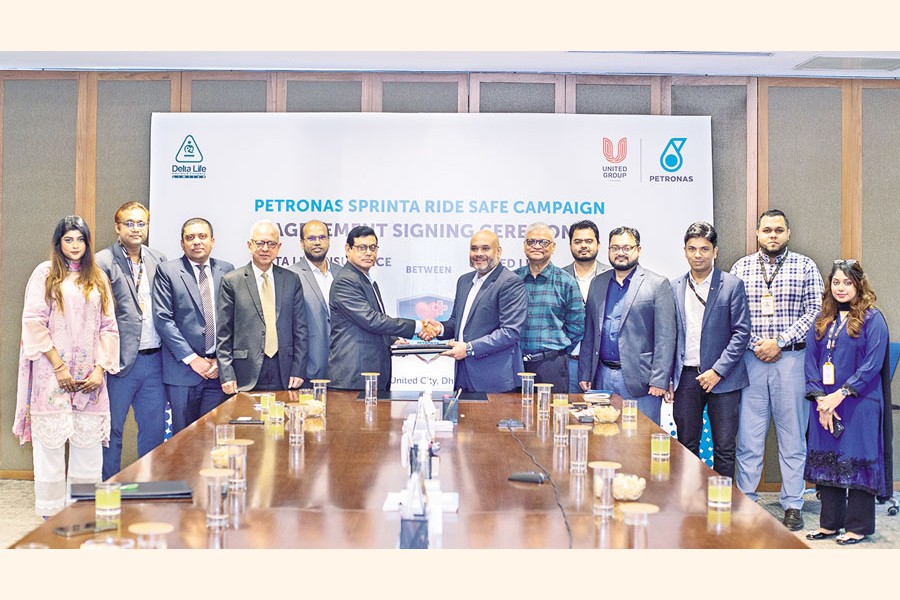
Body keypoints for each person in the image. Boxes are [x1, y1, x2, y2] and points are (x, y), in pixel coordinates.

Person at [13, 216, 119, 517]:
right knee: (50, 449)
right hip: (51, 374)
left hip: (89, 377)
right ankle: (51, 516)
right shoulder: (45, 274)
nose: (75, 246)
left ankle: (82, 513)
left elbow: (109, 327)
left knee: (89, 449)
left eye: (80, 239)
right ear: (58, 243)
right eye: (68, 239)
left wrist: (100, 369)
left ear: (88, 243)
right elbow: (33, 322)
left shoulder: (98, 277)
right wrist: (59, 368)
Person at [730, 208, 824, 531]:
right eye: (767, 230)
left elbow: (816, 312)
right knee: (749, 439)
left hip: (792, 362)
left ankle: (793, 504)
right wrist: (758, 344)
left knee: (793, 439)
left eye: (778, 230)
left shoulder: (805, 266)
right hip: (751, 361)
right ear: (757, 233)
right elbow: (733, 315)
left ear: (788, 234)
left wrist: (780, 342)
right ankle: (746, 502)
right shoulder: (741, 268)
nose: (773, 235)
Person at [803, 260, 888, 545]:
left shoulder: (873, 319)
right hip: (823, 405)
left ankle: (858, 527)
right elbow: (810, 362)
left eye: (847, 283)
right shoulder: (821, 319)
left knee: (857, 461)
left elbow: (872, 364)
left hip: (859, 404)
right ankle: (829, 524)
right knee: (828, 458)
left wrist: (839, 395)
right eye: (836, 282)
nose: (841, 288)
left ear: (859, 285)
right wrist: (821, 400)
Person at [671, 222, 750, 478]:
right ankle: (690, 498)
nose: (698, 255)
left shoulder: (732, 285)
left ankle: (723, 499)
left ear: (715, 251)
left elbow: (741, 333)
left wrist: (717, 371)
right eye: (692, 249)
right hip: (686, 377)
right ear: (684, 251)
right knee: (686, 446)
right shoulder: (674, 287)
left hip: (723, 379)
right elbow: (669, 335)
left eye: (704, 249)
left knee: (724, 448)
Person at [95, 201, 168, 481]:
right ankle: (109, 487)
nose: (136, 229)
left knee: (153, 429)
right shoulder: (102, 262)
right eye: (129, 223)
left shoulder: (158, 259)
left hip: (154, 361)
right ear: (117, 227)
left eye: (141, 223)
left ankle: (147, 486)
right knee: (111, 429)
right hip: (119, 362)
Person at [578, 226, 676, 426]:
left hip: (641, 380)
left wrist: (659, 380)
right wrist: (585, 372)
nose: (620, 253)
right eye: (615, 248)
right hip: (601, 376)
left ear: (638, 249)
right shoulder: (598, 283)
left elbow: (666, 338)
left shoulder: (657, 284)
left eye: (626, 248)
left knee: (641, 438)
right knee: (603, 436)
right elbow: (590, 332)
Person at [153, 218, 235, 433]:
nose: (196, 241)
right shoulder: (167, 271)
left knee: (214, 437)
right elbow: (163, 319)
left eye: (202, 236)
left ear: (212, 241)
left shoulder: (227, 270)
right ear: (182, 243)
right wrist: (192, 359)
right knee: (184, 438)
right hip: (183, 372)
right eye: (190, 237)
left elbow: (234, 318)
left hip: (218, 373)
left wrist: (221, 360)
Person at [329, 225, 430, 390]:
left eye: (372, 247)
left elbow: (369, 325)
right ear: (348, 249)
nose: (368, 253)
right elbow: (372, 320)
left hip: (370, 372)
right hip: (354, 375)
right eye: (362, 248)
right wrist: (418, 326)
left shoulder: (366, 280)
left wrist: (394, 339)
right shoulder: (345, 281)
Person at [217, 220, 308, 393]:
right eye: (259, 243)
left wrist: (298, 369)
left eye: (271, 244)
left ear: (278, 247)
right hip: (245, 371)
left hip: (284, 369)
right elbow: (224, 333)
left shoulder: (291, 279)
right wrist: (227, 374)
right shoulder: (232, 281)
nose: (265, 249)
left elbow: (300, 330)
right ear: (249, 245)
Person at [432, 230, 528, 393]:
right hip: (462, 375)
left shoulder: (510, 282)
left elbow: (510, 332)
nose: (478, 253)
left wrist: (469, 348)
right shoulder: (464, 281)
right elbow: (458, 323)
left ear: (498, 252)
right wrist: (439, 328)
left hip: (495, 380)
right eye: (474, 248)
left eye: (485, 248)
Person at [514, 223, 584, 392]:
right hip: (515, 363)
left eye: (543, 242)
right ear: (524, 246)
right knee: (514, 409)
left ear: (553, 247)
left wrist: (556, 350)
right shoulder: (513, 280)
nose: (537, 246)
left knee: (551, 410)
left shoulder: (566, 281)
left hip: (551, 365)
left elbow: (577, 326)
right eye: (531, 241)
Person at [563, 219, 611, 393]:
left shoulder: (612, 276)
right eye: (578, 241)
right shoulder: (559, 277)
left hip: (601, 366)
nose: (583, 245)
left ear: (598, 244)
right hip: (568, 361)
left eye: (589, 241)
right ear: (570, 245)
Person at [287, 220, 333, 381]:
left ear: (328, 240)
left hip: (342, 367)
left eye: (322, 237)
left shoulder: (342, 273)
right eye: (311, 238)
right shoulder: (290, 275)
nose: (317, 242)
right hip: (307, 368)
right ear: (302, 243)